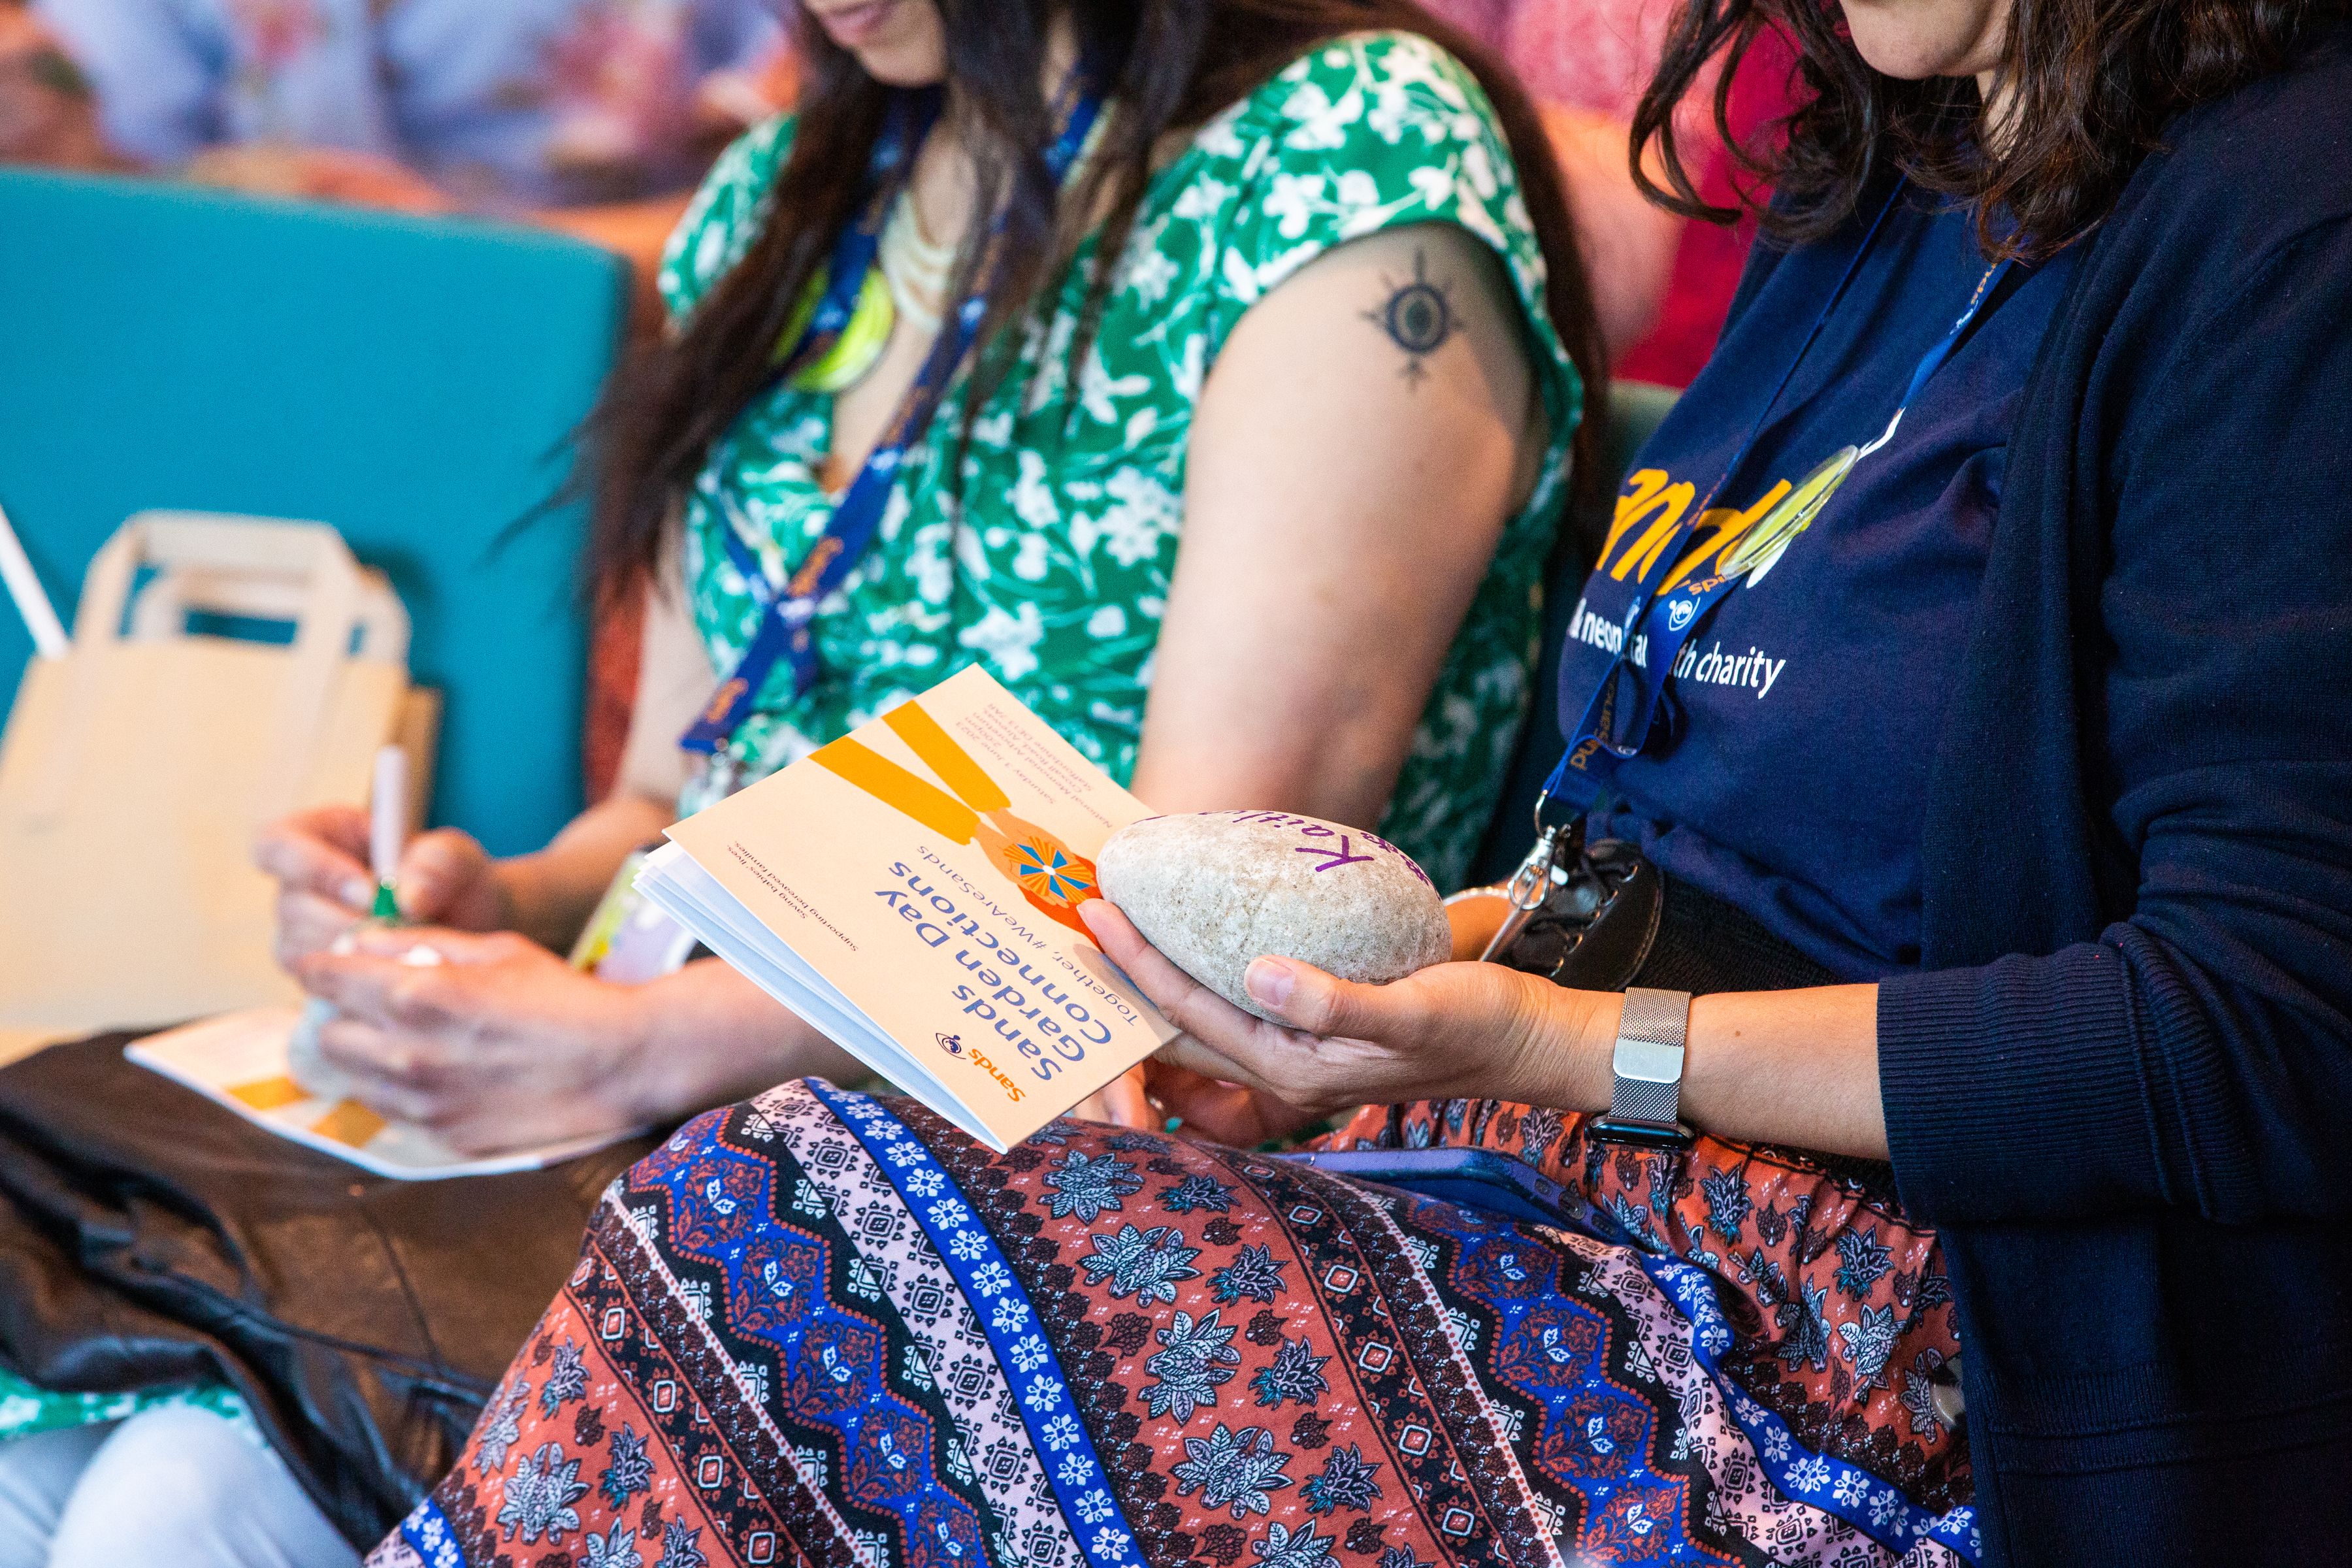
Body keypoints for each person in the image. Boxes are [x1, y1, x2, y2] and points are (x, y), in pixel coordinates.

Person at [372, 0, 2352, 1564]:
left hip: (1893, 1338)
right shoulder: (1890, 160)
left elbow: (2262, 1030)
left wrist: (1552, 1044)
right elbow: (1689, 822)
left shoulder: (2285, 215)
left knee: (781, 1219)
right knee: (779, 1262)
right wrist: (1396, 1003)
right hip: (1581, 1176)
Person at [0, 0, 1607, 1561]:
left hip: (1049, 1173)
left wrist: (631, 1050)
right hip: (655, 1112)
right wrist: (496, 901)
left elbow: (1188, 926)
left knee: (173, 1494)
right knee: (43, 1431)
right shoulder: (796, 193)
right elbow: (669, 802)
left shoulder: (1340, 161)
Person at [0, 0, 792, 316]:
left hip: (626, 350)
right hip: (226, 332)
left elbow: (833, 199)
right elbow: (106, 185)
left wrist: (472, 268)